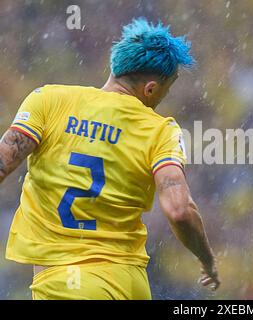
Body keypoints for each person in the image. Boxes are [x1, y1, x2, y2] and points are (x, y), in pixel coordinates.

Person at [0, 18, 220, 300]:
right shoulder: (161, 131)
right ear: (151, 88)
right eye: (169, 87)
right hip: (131, 282)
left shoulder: (48, 100)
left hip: (67, 285)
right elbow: (179, 210)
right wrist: (206, 259)